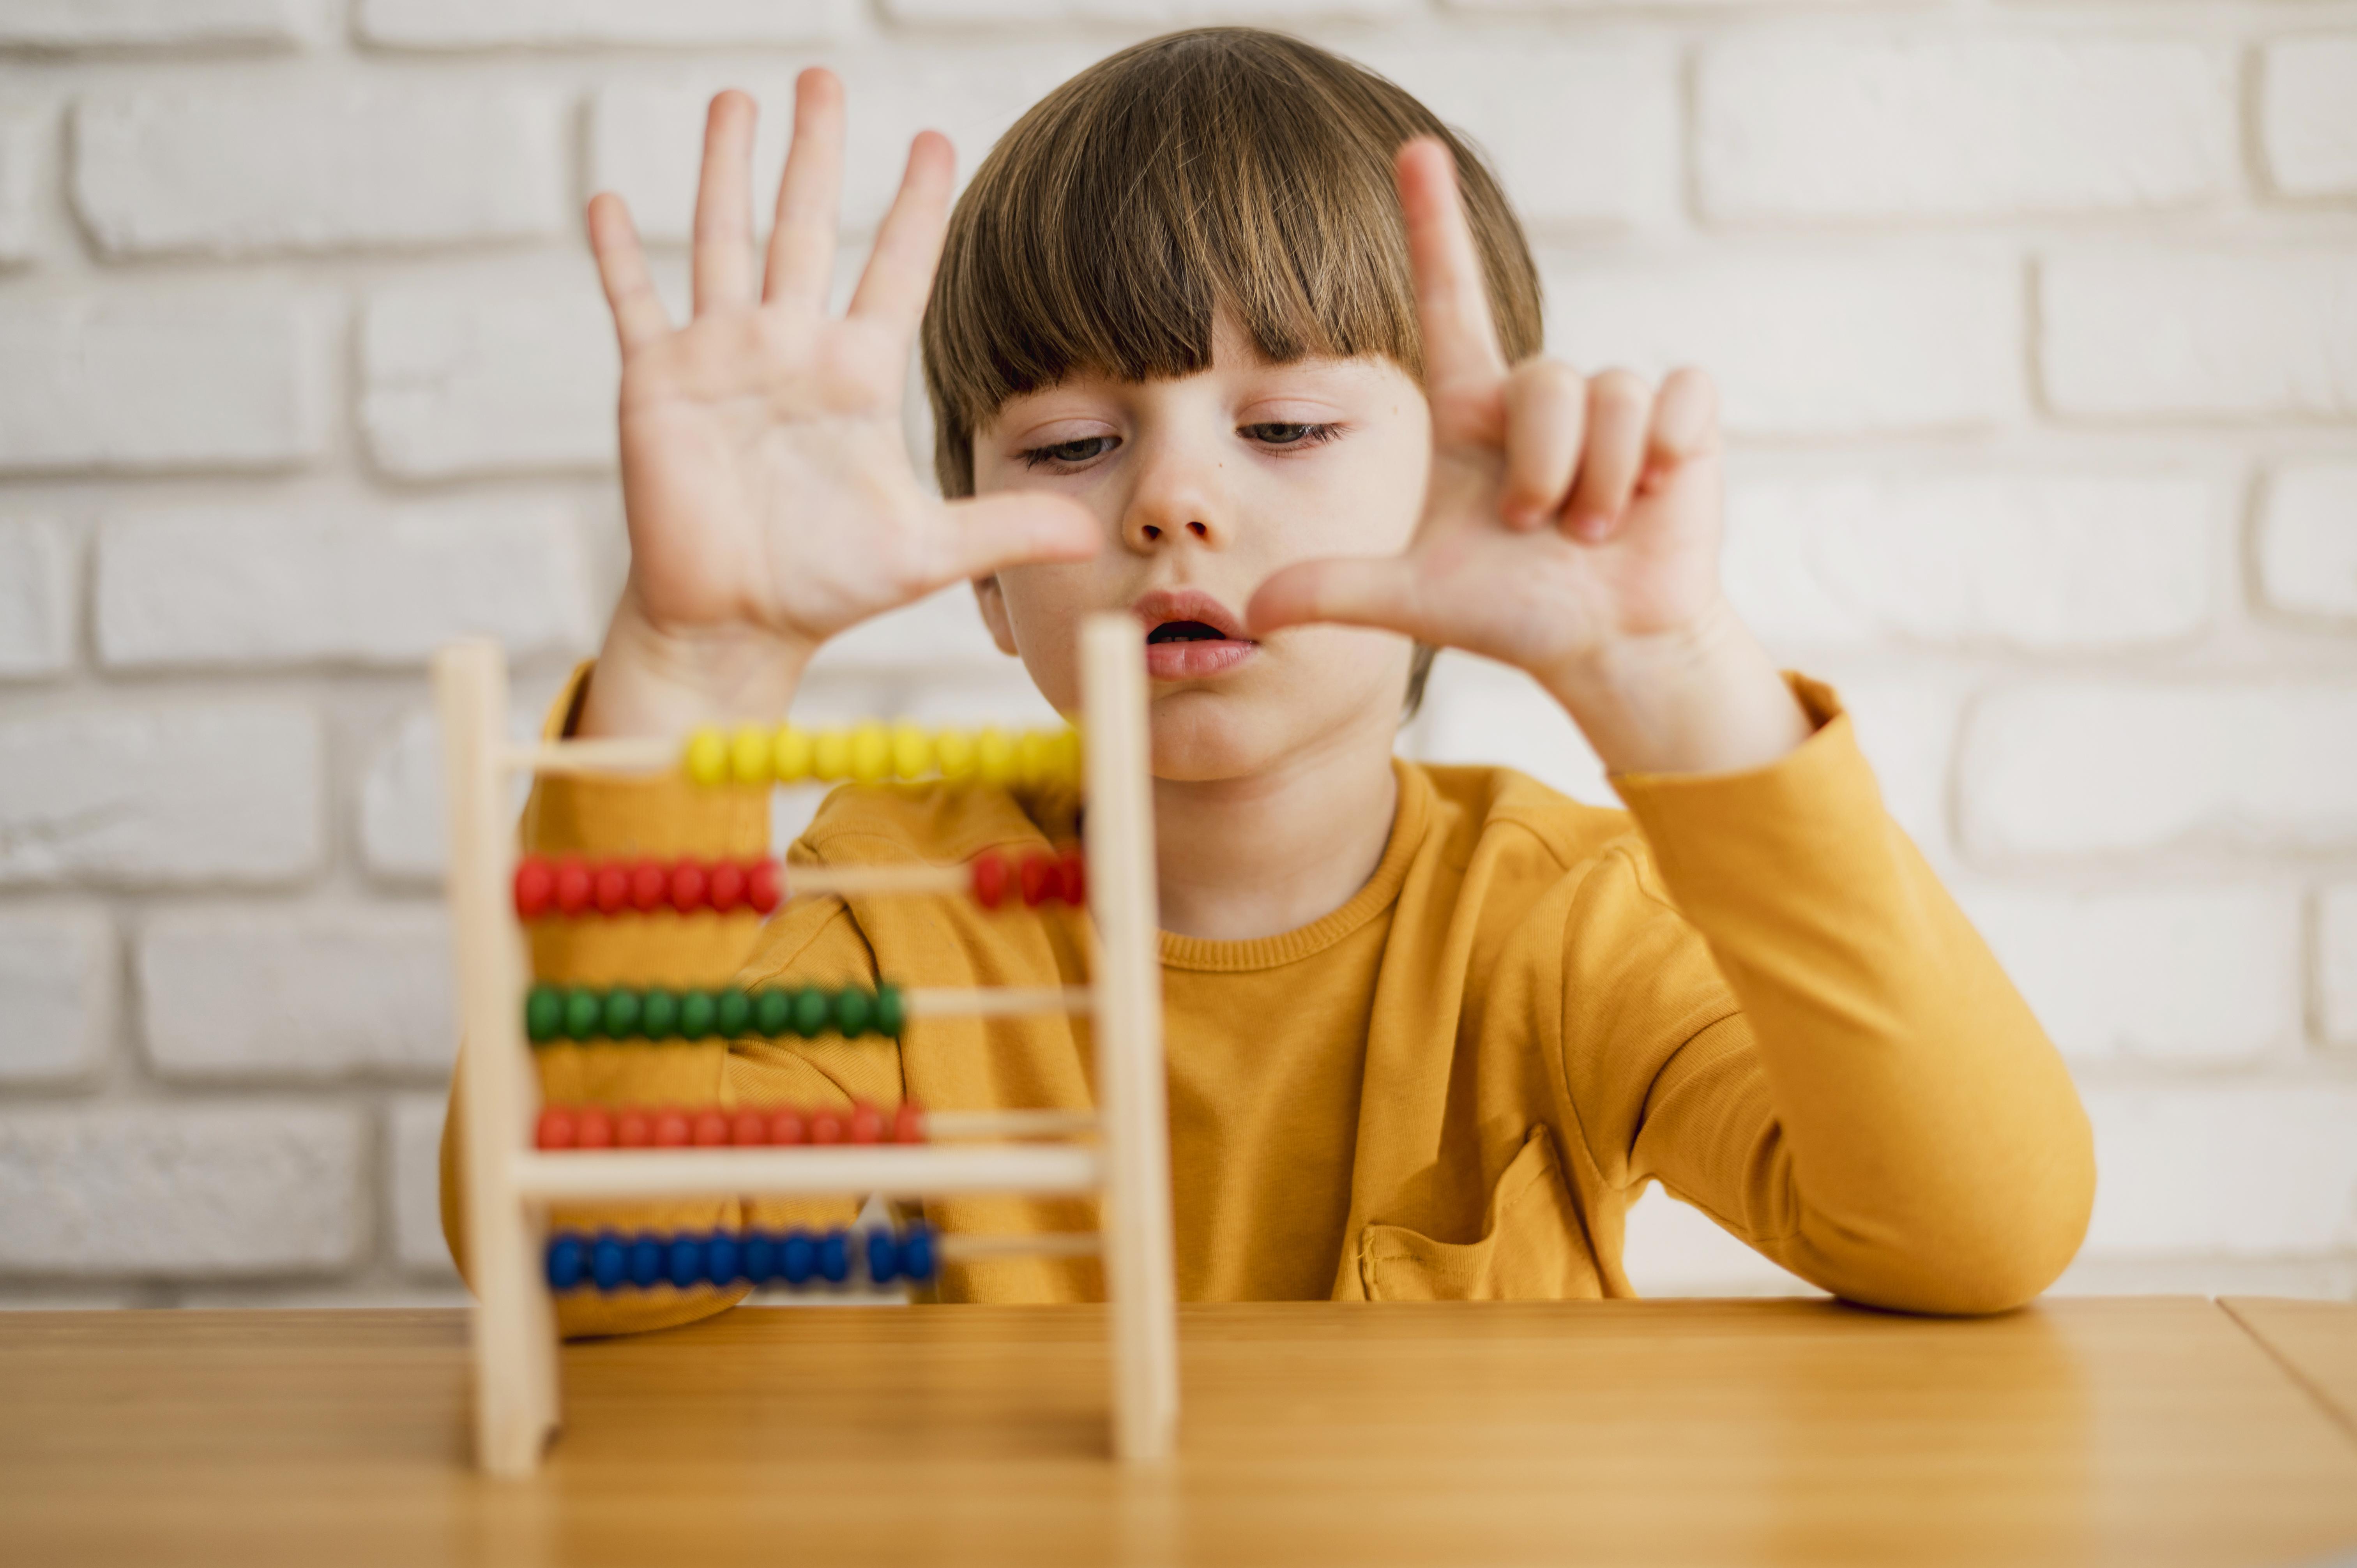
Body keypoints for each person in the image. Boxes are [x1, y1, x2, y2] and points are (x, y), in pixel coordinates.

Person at [442, 28, 2094, 1336]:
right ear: (991, 592)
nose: (1173, 500)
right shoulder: (902, 910)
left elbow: (1980, 1231)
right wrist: (692, 671)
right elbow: (572, 1261)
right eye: (1076, 446)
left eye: (1287, 427)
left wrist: (1676, 679)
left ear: (1470, 492)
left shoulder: (1562, 926)